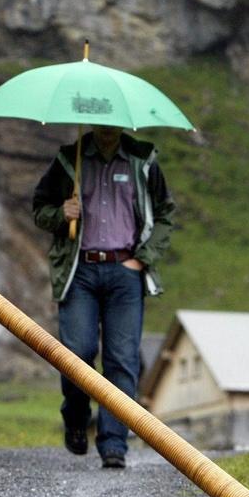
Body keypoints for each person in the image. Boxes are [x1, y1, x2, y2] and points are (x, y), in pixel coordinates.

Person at [32, 125, 175, 469]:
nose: (109, 129)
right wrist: (61, 214)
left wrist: (142, 259)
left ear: (124, 123)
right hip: (79, 271)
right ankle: (77, 418)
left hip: (125, 271)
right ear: (94, 123)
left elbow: (165, 213)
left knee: (122, 359)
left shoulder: (143, 161)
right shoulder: (70, 160)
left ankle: (114, 442)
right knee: (76, 353)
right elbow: (40, 209)